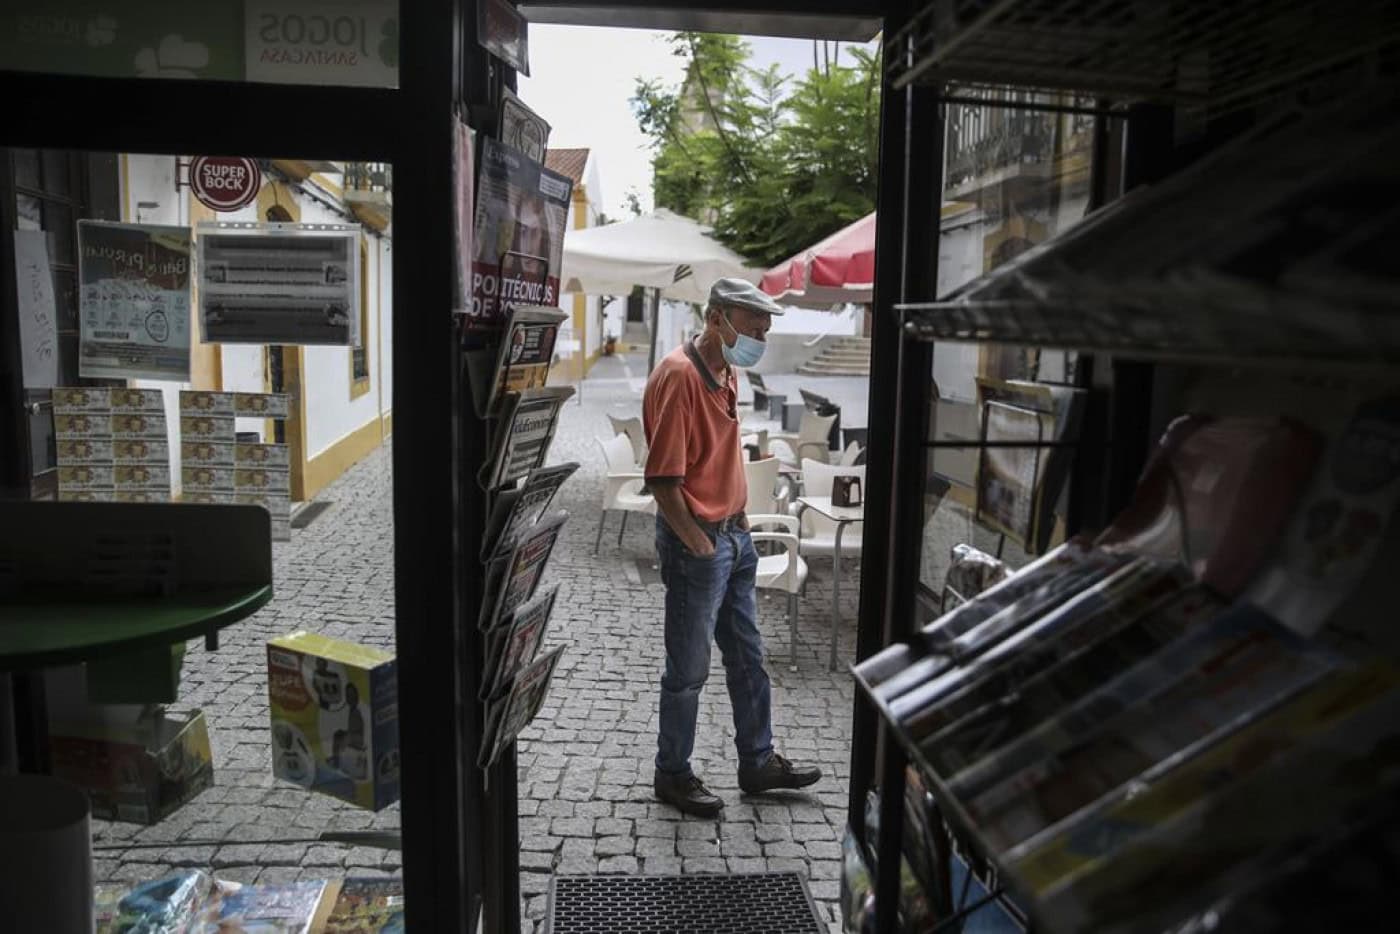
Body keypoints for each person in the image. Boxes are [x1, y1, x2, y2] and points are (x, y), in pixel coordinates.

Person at [642, 277, 822, 818]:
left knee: (748, 658)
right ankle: (672, 773)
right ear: (716, 318)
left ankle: (757, 762)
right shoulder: (680, 376)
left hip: (735, 537)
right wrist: (699, 544)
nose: (760, 338)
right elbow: (663, 481)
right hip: (700, 543)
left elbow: (718, 450)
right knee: (688, 668)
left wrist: (737, 521)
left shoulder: (726, 370)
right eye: (753, 328)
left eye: (765, 330)